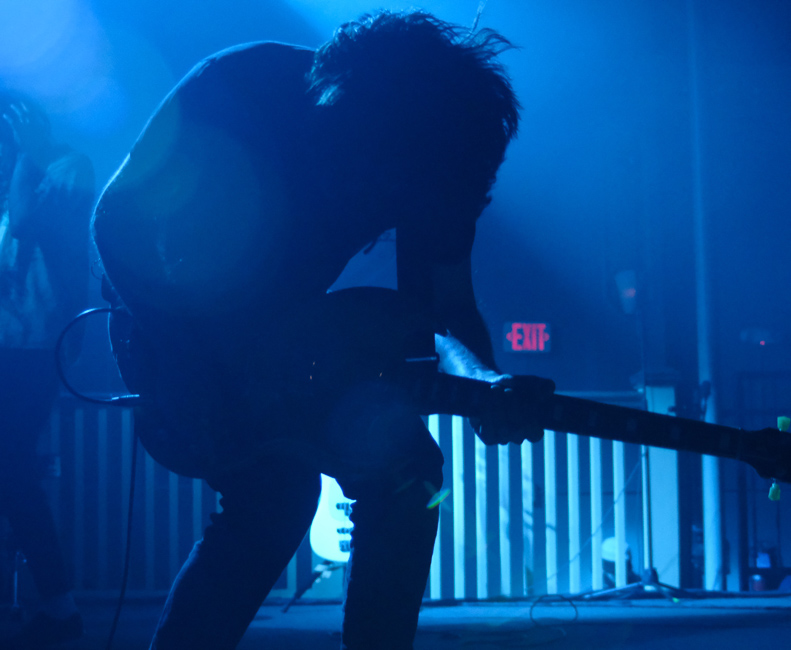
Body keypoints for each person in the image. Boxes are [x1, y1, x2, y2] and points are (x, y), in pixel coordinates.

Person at [93, 10, 550, 650]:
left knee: (410, 473)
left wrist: (485, 381)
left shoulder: (440, 154)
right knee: (274, 494)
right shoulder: (242, 84)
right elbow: (115, 221)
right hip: (169, 325)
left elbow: (442, 307)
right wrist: (187, 361)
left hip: (287, 334)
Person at [0, 90, 94, 648]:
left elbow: (28, 223)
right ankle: (59, 609)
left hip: (36, 347)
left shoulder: (65, 166)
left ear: (24, 127)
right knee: (7, 476)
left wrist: (25, 154)